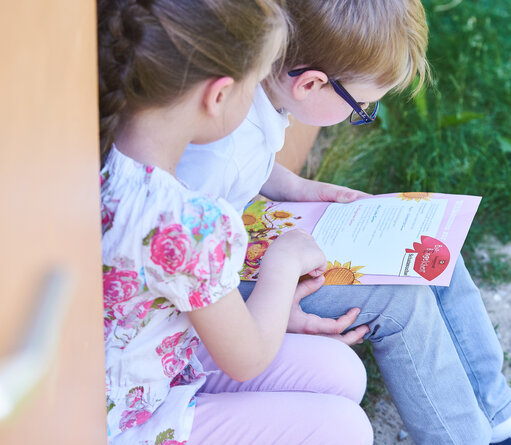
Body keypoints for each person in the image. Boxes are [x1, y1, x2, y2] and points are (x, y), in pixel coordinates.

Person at [176, 1, 511, 444]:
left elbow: (248, 165)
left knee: (429, 248)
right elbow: (190, 272)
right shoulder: (218, 151)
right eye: (363, 108)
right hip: (221, 295)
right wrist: (276, 303)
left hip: (246, 249)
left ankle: (499, 418)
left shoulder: (252, 96)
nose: (362, 117)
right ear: (311, 84)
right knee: (399, 300)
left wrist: (294, 186)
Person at [97, 1, 374, 444]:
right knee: (346, 430)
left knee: (342, 372)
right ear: (219, 95)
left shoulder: (101, 159)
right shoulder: (191, 223)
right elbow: (246, 360)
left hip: (141, 363)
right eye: (255, 85)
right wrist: (281, 264)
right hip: (127, 420)